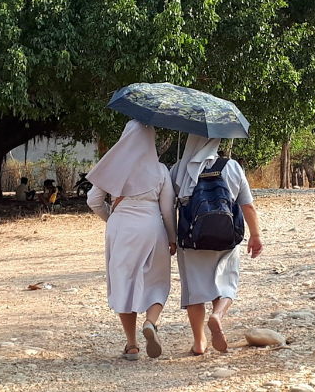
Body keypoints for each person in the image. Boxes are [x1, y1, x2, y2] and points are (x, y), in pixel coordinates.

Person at [86, 120, 177, 360]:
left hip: (121, 227)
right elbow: (167, 211)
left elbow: (93, 201)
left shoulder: (113, 167)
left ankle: (132, 345)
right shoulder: (160, 170)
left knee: (124, 282)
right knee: (157, 279)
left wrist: (113, 219)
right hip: (152, 226)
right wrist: (172, 238)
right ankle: (151, 322)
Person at [171, 135, 263, 355]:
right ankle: (217, 315)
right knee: (227, 283)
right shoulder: (231, 166)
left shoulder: (178, 169)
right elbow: (247, 206)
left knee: (194, 290)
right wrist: (255, 235)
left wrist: (170, 238)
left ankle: (199, 342)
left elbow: (168, 205)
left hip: (192, 240)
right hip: (226, 237)